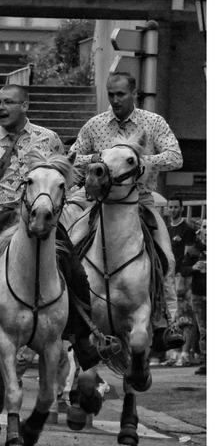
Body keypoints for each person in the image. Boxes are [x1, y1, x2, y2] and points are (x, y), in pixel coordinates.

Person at [0, 84, 105, 369]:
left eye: (8, 102)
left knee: (75, 270)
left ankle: (83, 339)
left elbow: (66, 183)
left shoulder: (49, 140)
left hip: (41, 218)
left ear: (25, 106)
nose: (0, 108)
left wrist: (71, 209)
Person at [70, 71, 185, 351]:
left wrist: (140, 162)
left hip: (141, 201)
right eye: (111, 94)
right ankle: (68, 314)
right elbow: (72, 156)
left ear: (134, 93)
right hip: (99, 203)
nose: (115, 99)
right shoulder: (95, 125)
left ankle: (168, 322)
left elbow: (175, 157)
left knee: (166, 257)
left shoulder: (153, 122)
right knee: (68, 248)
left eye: (120, 94)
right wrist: (99, 159)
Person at [162, 195, 198, 366]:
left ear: (182, 208)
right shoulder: (167, 230)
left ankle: (185, 353)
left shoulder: (187, 230)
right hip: (168, 277)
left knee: (187, 317)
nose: (173, 210)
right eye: (170, 207)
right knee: (173, 316)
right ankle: (174, 353)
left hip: (183, 278)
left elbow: (189, 256)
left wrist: (184, 276)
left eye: (176, 207)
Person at [179, 218, 206, 375]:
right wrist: (194, 267)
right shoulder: (194, 249)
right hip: (198, 293)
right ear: (200, 230)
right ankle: (205, 361)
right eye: (204, 226)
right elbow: (183, 269)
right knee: (203, 329)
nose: (207, 230)